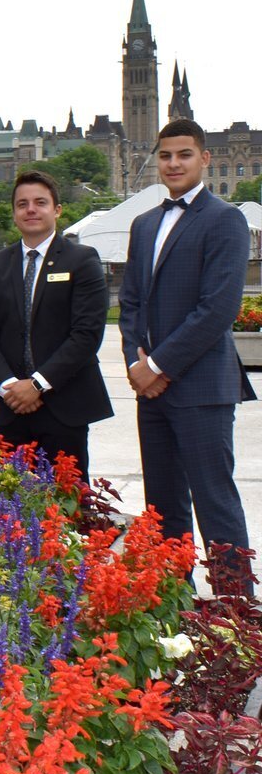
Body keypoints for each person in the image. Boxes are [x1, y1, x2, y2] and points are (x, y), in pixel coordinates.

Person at [119, 118, 257, 594]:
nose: (173, 163)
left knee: (214, 503)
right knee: (164, 507)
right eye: (165, 155)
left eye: (184, 154)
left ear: (205, 158)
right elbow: (131, 301)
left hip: (201, 389)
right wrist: (136, 366)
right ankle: (172, 608)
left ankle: (237, 616)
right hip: (151, 393)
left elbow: (217, 309)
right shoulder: (144, 223)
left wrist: (157, 366)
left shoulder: (225, 219)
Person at [0, 170, 112, 481]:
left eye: (40, 202)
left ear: (57, 210)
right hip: (10, 408)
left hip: (64, 406)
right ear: (14, 213)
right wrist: (8, 386)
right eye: (22, 204)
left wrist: (36, 385)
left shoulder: (82, 260)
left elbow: (86, 335)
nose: (30, 210)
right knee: (11, 509)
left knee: (69, 509)